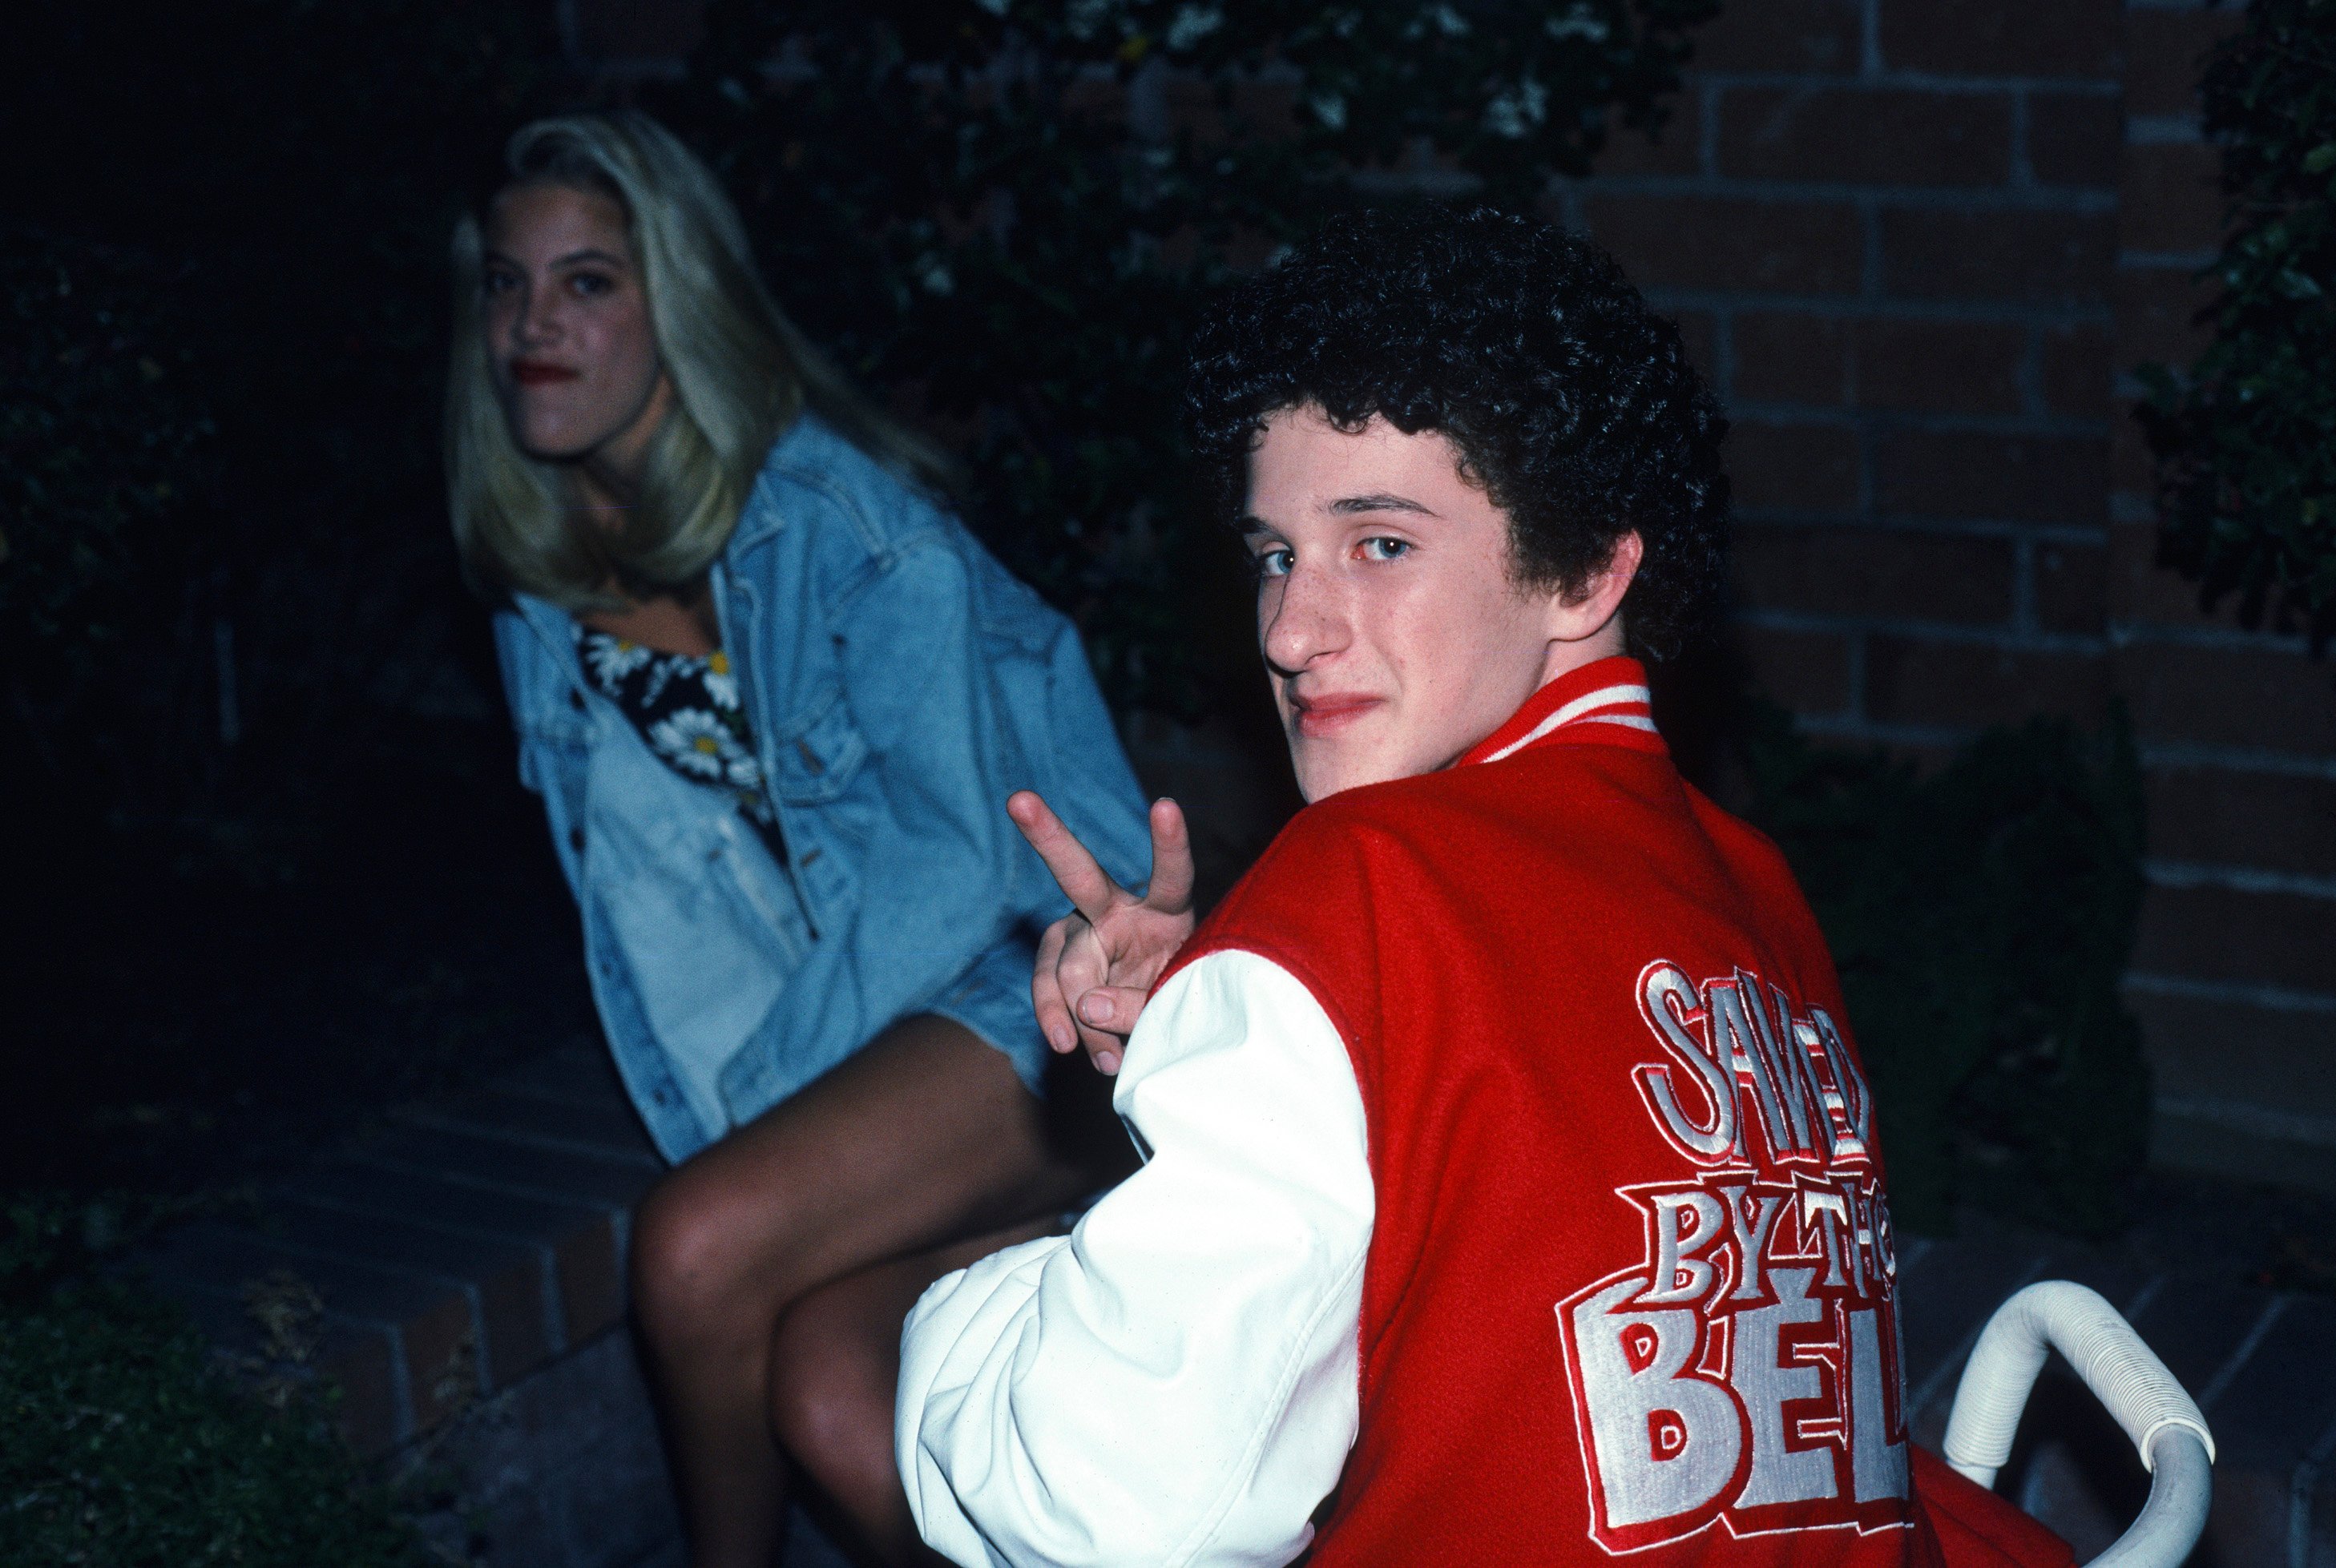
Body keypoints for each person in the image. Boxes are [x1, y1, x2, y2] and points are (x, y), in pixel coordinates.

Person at [894, 207, 2076, 1568]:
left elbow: (1098, 1507)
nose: (1287, 626)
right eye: (1274, 552)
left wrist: (961, 1310)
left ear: (1584, 568)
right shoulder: (1750, 879)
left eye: (1380, 543)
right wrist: (1242, 1012)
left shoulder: (1367, 885)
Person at [445, 111, 1154, 1567]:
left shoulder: (838, 526)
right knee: (834, 1386)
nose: (534, 323)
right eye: (508, 284)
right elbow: (650, 900)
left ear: (679, 300)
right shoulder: (542, 586)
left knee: (696, 1246)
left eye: (589, 282)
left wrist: (767, 1117)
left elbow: (957, 872)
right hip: (873, 1013)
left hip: (1042, 976)